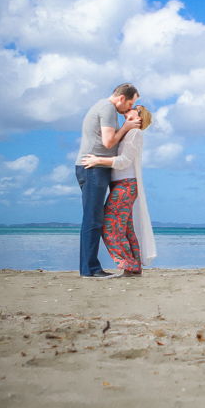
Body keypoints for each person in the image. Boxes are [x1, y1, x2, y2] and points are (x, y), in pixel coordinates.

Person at [75, 84, 141, 278]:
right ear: (121, 98)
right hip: (94, 168)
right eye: (129, 104)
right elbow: (108, 142)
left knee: (92, 218)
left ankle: (88, 268)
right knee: (93, 219)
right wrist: (126, 127)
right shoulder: (108, 108)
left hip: (94, 168)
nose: (128, 109)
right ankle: (90, 269)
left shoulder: (104, 107)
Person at [82, 105, 156, 277]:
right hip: (119, 185)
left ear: (139, 117)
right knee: (126, 229)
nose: (128, 108)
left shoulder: (135, 134)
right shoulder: (125, 133)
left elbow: (123, 161)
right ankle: (133, 268)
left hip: (126, 185)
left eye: (134, 109)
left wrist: (97, 160)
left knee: (110, 227)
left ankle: (129, 265)